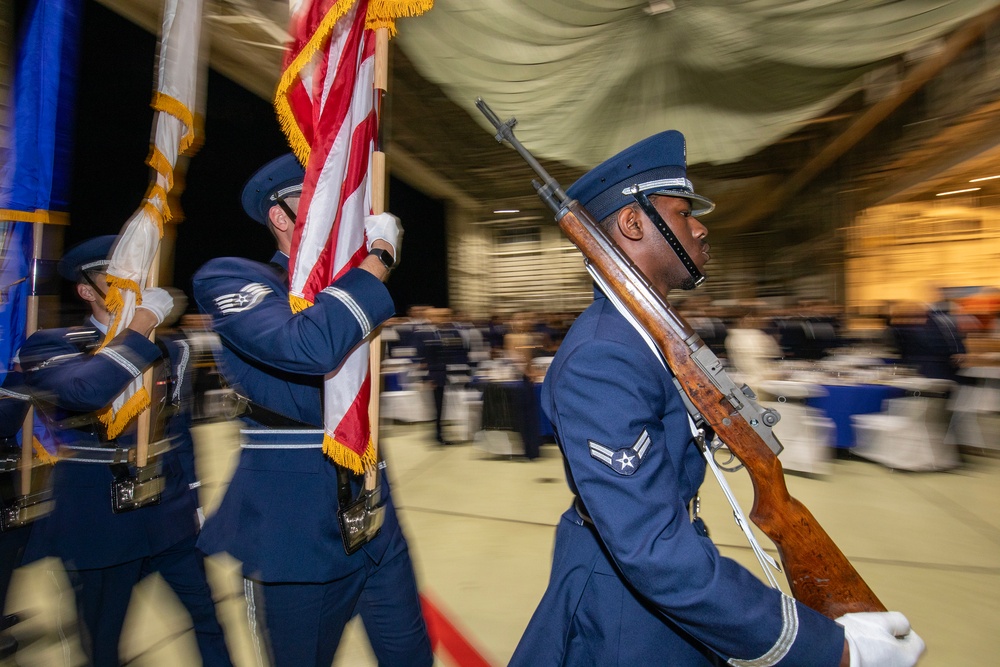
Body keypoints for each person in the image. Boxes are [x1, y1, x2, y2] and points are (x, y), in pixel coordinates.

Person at [510, 131, 925, 666]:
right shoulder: (602, 357)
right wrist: (831, 650)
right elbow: (653, 550)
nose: (701, 226)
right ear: (635, 224)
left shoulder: (649, 335)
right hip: (624, 612)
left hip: (669, 569)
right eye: (682, 213)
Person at [191, 154, 432, 667]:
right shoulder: (235, 278)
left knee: (411, 657)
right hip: (293, 527)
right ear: (279, 215)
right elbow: (310, 345)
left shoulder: (346, 290)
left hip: (374, 511)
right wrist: (381, 255)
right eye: (321, 197)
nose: (340, 211)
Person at [17, 236, 233, 667]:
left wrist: (196, 502)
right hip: (98, 516)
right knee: (103, 642)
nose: (130, 290)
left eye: (137, 280)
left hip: (170, 513)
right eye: (115, 281)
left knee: (210, 621)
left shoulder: (173, 347)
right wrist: (143, 322)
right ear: (86, 290)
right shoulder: (51, 344)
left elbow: (181, 431)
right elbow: (86, 390)